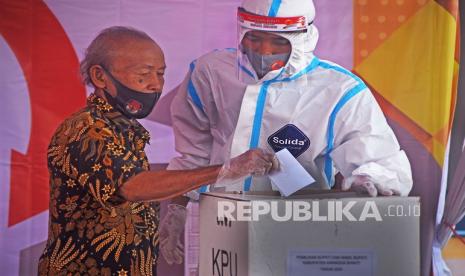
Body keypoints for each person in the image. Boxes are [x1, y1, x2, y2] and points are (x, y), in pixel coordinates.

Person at [165, 0, 413, 268]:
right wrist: (178, 210)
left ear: (303, 38)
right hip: (218, 221)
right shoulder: (211, 72)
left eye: (278, 41)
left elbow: (381, 161)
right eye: (255, 38)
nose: (264, 50)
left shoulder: (338, 90)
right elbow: (193, 153)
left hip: (296, 225)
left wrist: (368, 181)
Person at [38, 26, 277, 275]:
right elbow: (133, 186)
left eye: (160, 74)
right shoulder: (86, 129)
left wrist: (175, 210)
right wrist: (227, 170)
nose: (155, 84)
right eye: (143, 75)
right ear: (100, 77)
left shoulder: (124, 129)